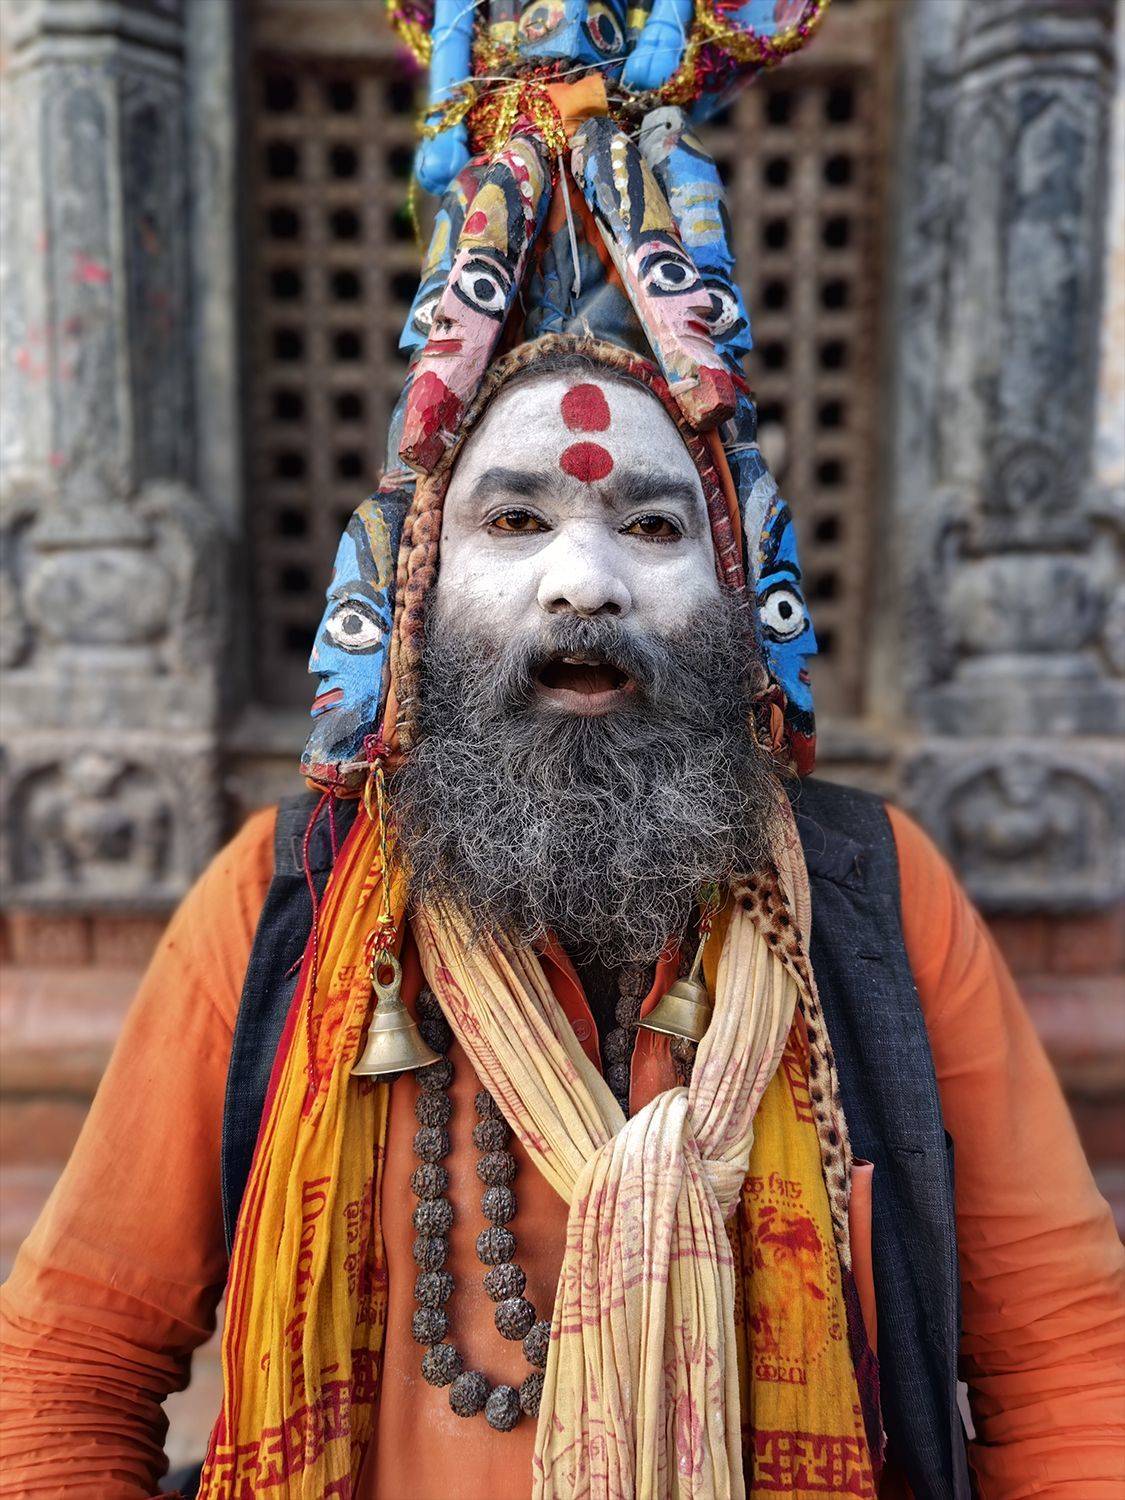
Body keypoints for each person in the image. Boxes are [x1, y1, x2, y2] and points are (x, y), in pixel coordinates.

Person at [2, 4, 1124, 1498]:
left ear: (738, 594)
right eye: (515, 521)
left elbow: (1066, 1363)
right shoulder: (282, 900)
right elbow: (68, 1367)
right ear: (413, 603)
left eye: (652, 525)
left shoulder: (875, 898)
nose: (581, 582)